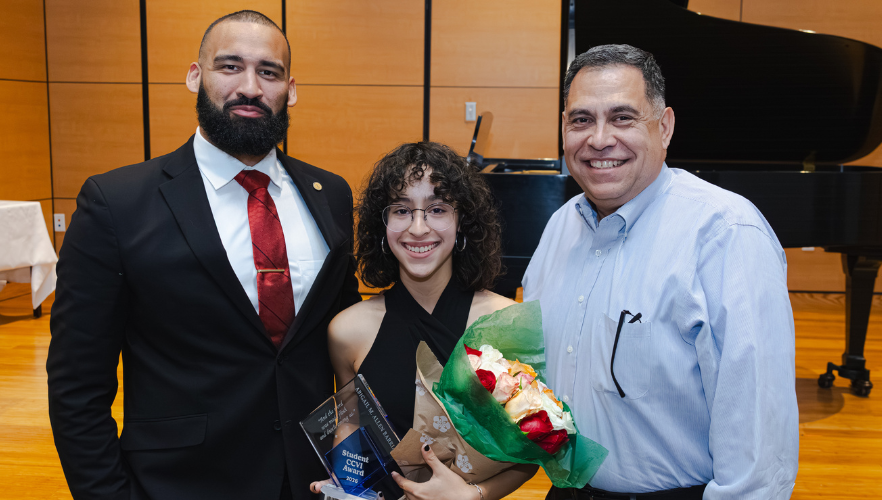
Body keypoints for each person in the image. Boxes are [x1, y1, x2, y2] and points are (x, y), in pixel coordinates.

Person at [46, 10, 360, 500]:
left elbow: (345, 338)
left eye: (268, 72)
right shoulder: (117, 203)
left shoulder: (332, 195)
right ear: (196, 76)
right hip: (180, 482)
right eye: (230, 66)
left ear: (290, 89)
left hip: (315, 480)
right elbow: (76, 386)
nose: (251, 87)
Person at [523, 44, 799, 499]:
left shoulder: (724, 233)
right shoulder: (560, 226)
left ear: (664, 127)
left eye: (623, 117)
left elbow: (758, 446)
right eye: (581, 120)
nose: (599, 139)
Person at [312, 142, 537, 499]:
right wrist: (345, 483)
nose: (418, 228)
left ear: (462, 222)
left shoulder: (505, 321)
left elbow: (530, 454)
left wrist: (474, 495)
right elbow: (351, 427)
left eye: (437, 209)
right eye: (402, 210)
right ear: (382, 225)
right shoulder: (347, 331)